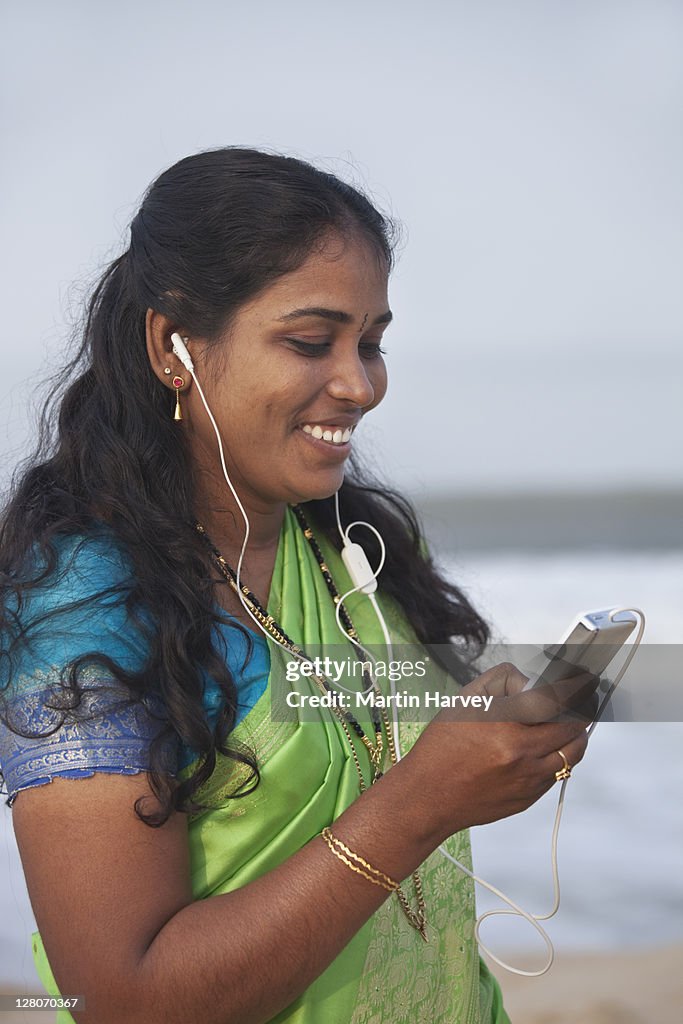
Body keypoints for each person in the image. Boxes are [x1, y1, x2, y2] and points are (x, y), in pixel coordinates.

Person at [0, 148, 590, 1024]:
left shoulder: (354, 546)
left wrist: (498, 749)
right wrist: (420, 805)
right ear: (174, 347)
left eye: (372, 342)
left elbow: (394, 759)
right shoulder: (84, 609)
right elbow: (120, 998)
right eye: (311, 341)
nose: (359, 384)